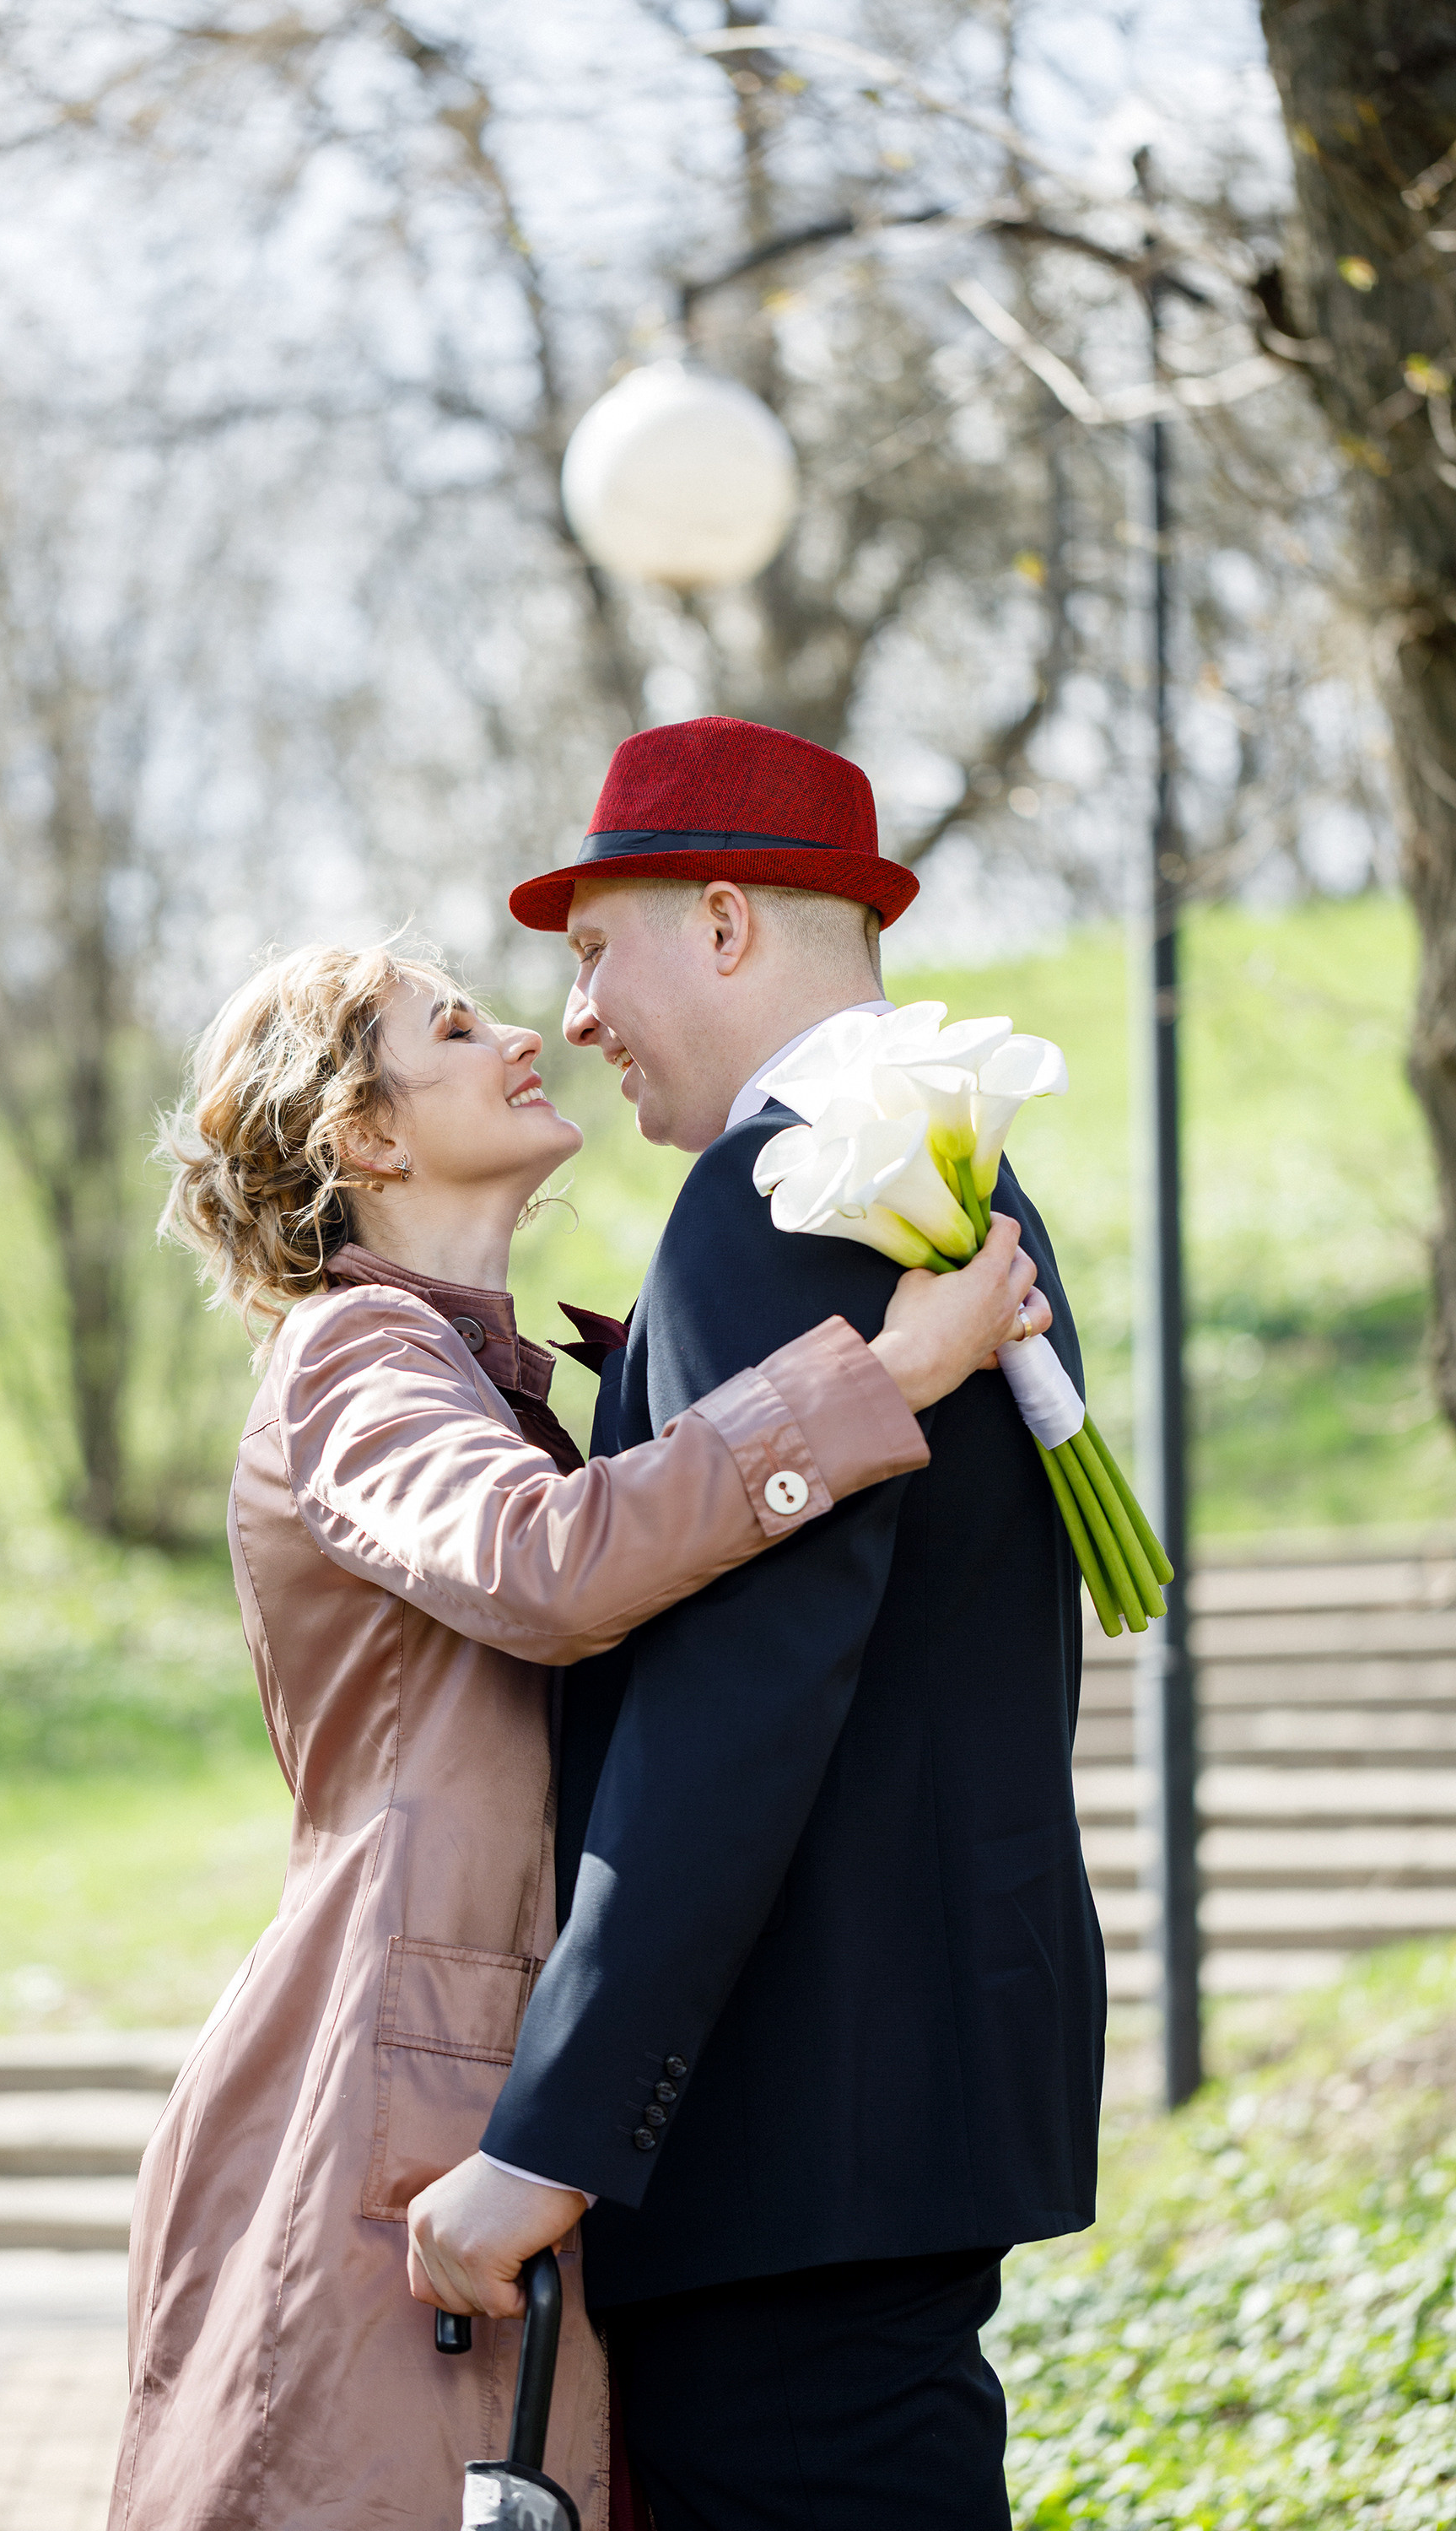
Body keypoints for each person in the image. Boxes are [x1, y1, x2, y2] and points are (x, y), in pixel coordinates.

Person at [106, 935, 1050, 2531]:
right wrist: (884, 1374)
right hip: (396, 2065)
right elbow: (544, 1565)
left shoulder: (477, 1375)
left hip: (485, 2041)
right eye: (457, 1026)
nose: (528, 1031)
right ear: (367, 1136)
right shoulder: (350, 1359)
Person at [407, 717, 1108, 2530]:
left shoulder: (777, 1197)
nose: (574, 1014)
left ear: (724, 922)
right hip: (908, 2096)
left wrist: (550, 2135)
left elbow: (737, 1709)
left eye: (594, 948)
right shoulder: (948, 1184)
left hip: (791, 2131)